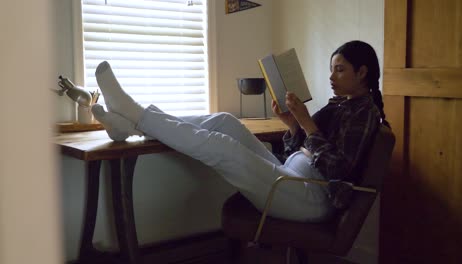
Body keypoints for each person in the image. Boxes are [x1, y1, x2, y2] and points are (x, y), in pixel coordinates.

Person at [91, 40, 388, 223]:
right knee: (225, 121)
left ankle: (132, 115)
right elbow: (303, 146)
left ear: (362, 72)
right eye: (332, 68)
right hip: (292, 174)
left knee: (224, 147)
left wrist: (307, 124)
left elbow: (339, 168)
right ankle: (130, 123)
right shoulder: (340, 105)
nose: (331, 76)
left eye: (340, 69)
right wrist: (292, 123)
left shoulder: (366, 113)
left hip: (313, 197)